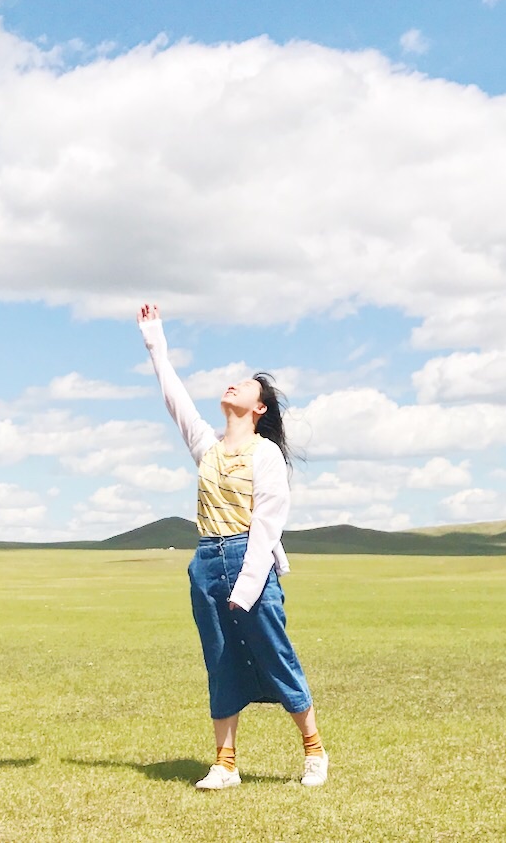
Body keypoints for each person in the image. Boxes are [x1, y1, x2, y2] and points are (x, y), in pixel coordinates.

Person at [137, 302, 328, 790]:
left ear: (258, 407)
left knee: (274, 650)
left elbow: (267, 527)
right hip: (206, 559)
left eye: (245, 385)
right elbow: (174, 398)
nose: (233, 385)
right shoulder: (207, 445)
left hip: (250, 561)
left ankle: (313, 751)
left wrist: (244, 589)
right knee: (219, 659)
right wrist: (155, 340)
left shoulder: (266, 456)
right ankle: (225, 765)